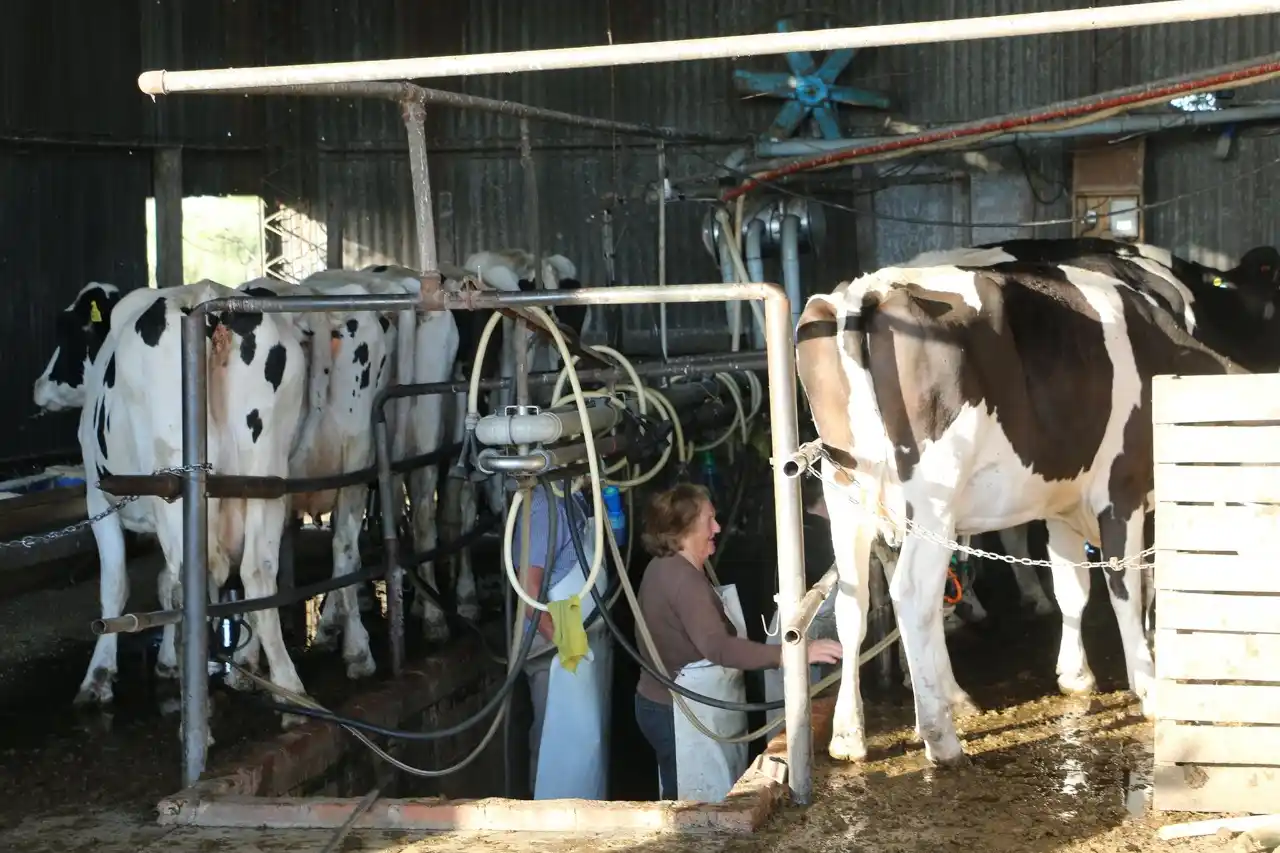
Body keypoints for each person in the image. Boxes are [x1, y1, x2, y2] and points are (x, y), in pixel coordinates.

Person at [633, 482, 843, 803]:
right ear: (685, 529)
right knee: (695, 806)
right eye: (709, 521)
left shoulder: (664, 567)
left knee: (690, 794)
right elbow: (718, 648)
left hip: (666, 702)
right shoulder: (684, 581)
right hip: (677, 711)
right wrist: (792, 653)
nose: (717, 528)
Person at [510, 481, 613, 801]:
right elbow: (529, 591)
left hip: (586, 633)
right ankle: (549, 823)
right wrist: (566, 643)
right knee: (559, 737)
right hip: (558, 639)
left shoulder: (576, 498)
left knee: (585, 738)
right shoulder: (544, 507)